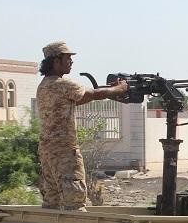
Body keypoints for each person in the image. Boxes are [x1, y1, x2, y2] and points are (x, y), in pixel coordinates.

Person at [36, 41, 128, 210]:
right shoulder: (62, 84)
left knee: (52, 200)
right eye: (67, 58)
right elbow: (92, 94)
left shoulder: (44, 86)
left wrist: (109, 89)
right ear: (56, 61)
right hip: (65, 151)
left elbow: (82, 98)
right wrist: (120, 89)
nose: (71, 61)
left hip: (47, 150)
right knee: (74, 199)